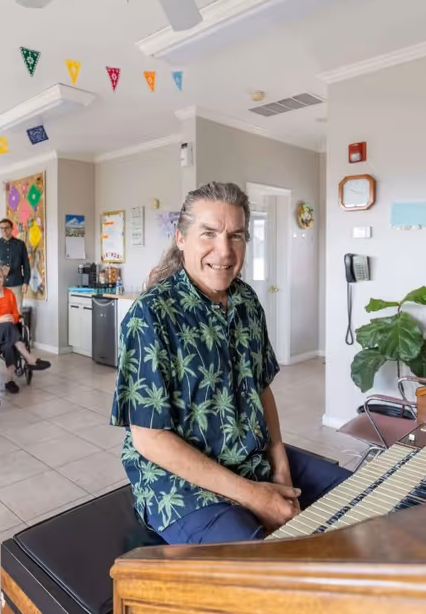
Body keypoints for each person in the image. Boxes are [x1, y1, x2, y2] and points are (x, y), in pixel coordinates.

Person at [111, 182, 352, 545]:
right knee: (258, 563)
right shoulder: (151, 315)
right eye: (208, 233)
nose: (224, 251)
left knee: (357, 500)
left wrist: (280, 465)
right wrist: (254, 495)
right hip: (177, 485)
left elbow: (261, 386)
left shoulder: (246, 300)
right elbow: (150, 438)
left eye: (236, 236)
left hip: (253, 458)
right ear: (181, 238)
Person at [0, 264, 50, 394]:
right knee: (9, 328)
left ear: (3, 278)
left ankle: (9, 380)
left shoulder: (9, 293)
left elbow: (15, 314)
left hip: (7, 333)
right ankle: (29, 359)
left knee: (8, 343)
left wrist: (10, 319)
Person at [0, 219, 30, 308]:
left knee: (17, 313)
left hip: (17, 285)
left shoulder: (20, 245)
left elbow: (26, 265)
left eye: (6, 228)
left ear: (12, 228)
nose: (3, 230)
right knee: (0, 312)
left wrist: (26, 282)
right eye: (1, 228)